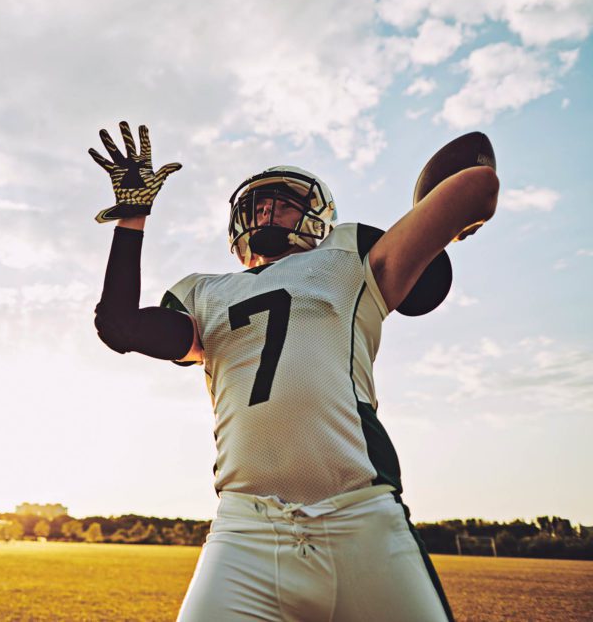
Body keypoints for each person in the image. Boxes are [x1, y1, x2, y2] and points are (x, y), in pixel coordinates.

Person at [90, 121, 499, 622]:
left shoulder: (351, 259)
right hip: (246, 530)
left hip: (361, 518)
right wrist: (132, 215)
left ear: (317, 214)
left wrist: (436, 222)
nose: (267, 211)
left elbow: (478, 188)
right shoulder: (204, 293)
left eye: (282, 201)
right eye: (258, 204)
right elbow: (119, 326)